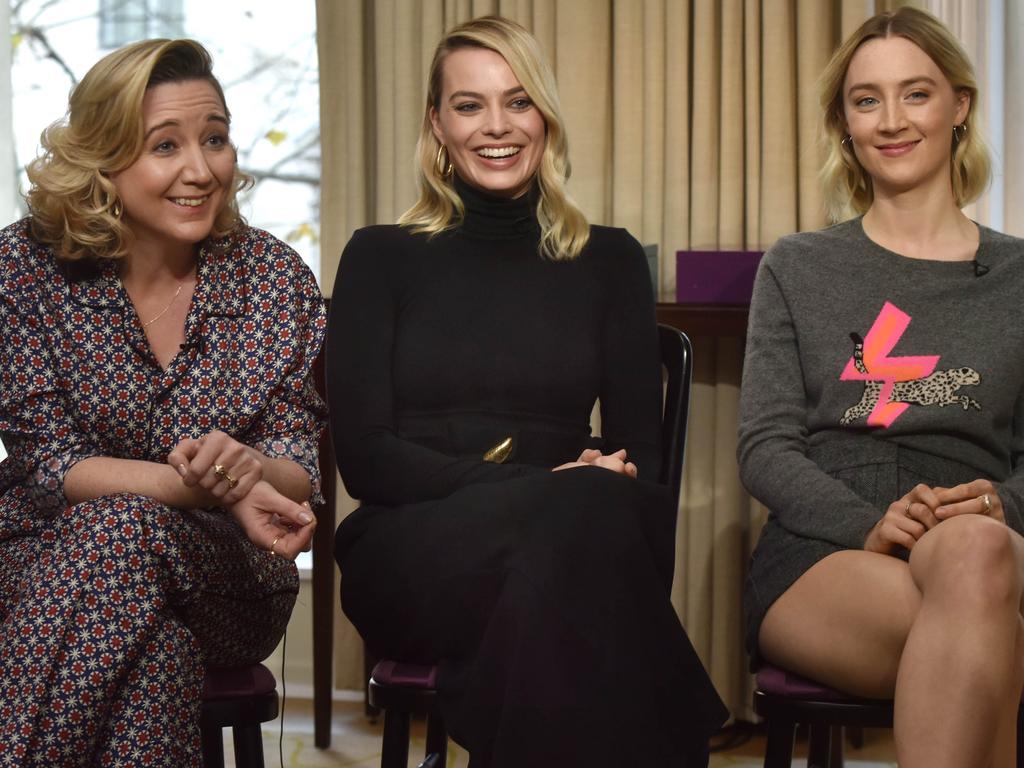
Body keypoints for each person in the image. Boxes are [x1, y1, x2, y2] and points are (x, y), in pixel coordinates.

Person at [327, 15, 727, 768]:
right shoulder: (380, 256)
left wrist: (566, 498)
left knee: (564, 563)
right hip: (416, 550)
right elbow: (367, 461)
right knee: (583, 527)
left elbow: (641, 456)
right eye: (469, 105)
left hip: (570, 545)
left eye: (518, 101)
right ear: (437, 124)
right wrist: (546, 486)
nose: (497, 126)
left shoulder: (608, 259)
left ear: (545, 116)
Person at [0, 39, 324, 766]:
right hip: (42, 564)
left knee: (119, 528)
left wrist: (251, 470)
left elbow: (299, 471)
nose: (201, 170)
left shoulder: (273, 278)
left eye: (215, 138)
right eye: (165, 146)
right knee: (155, 664)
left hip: (227, 578)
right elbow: (47, 465)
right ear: (102, 159)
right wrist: (203, 488)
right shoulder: (22, 268)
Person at [739, 7, 1024, 767]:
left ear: (959, 105)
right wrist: (870, 523)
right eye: (867, 100)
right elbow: (765, 447)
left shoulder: (1022, 277)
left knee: (976, 556)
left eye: (916, 94)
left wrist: (1001, 505)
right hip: (827, 551)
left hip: (984, 535)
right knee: (994, 627)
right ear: (845, 123)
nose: (892, 121)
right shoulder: (798, 265)